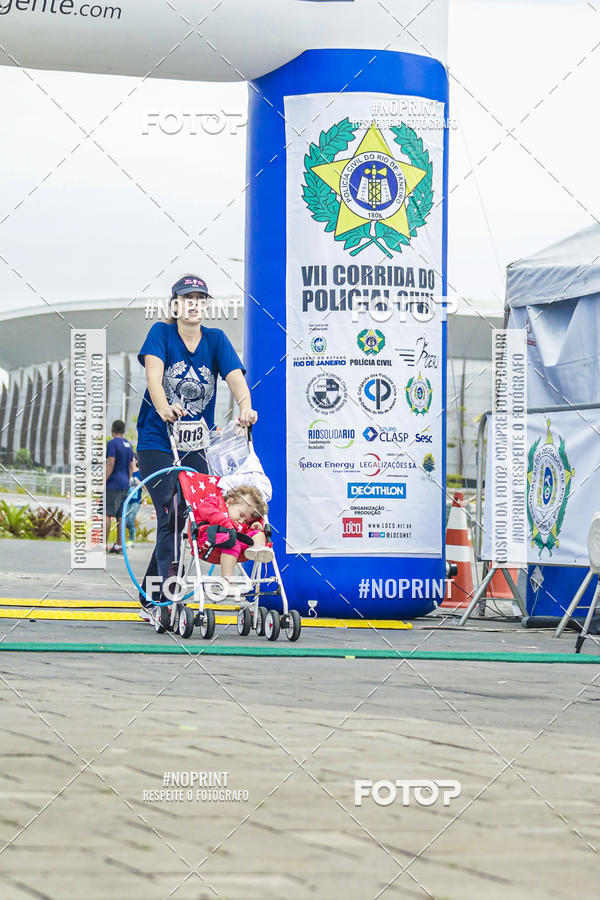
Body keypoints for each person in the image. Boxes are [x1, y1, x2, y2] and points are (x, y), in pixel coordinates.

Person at [136, 273, 258, 621]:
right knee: (172, 510)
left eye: (200, 299)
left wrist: (246, 407)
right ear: (174, 305)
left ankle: (151, 595)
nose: (194, 305)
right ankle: (165, 600)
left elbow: (237, 380)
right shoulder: (161, 334)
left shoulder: (216, 340)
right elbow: (154, 378)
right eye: (187, 298)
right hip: (158, 440)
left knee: (193, 517)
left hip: (195, 444)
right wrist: (163, 409)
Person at [195, 484, 274, 593]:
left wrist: (252, 528)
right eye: (241, 515)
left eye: (246, 521)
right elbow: (206, 510)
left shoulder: (241, 523)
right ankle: (227, 582)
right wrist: (226, 524)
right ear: (229, 502)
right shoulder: (216, 503)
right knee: (233, 542)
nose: (242, 521)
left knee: (258, 533)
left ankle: (258, 549)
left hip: (239, 545)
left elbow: (245, 533)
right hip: (212, 539)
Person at [105, 420, 134, 554]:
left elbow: (111, 463)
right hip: (124, 483)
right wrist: (127, 480)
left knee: (107, 514)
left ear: (113, 430)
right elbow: (131, 466)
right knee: (121, 516)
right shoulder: (129, 444)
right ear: (123, 430)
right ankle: (119, 545)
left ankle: (103, 544)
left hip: (113, 483)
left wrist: (102, 481)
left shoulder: (112, 444)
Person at [125, 453, 142, 548]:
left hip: (136, 500)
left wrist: (138, 482)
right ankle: (129, 536)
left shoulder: (140, 473)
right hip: (127, 500)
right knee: (125, 520)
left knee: (131, 518)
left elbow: (145, 486)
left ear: (136, 460)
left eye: (132, 459)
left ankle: (131, 540)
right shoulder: (127, 472)